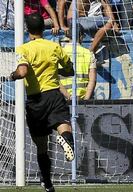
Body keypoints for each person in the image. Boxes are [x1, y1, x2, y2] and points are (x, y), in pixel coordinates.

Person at [9, 13, 75, 192]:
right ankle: (65, 140)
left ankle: (48, 184)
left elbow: (22, 72)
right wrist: (62, 70)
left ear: (27, 30)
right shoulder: (54, 47)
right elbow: (69, 69)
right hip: (54, 95)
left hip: (35, 101)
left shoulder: (24, 49)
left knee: (41, 147)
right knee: (64, 126)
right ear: (44, 29)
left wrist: (13, 75)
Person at [59, 24, 97, 100]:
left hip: (63, 99)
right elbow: (92, 80)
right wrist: (86, 99)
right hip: (82, 97)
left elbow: (55, 78)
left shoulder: (59, 52)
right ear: (81, 37)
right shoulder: (88, 53)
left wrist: (68, 96)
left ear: (67, 36)